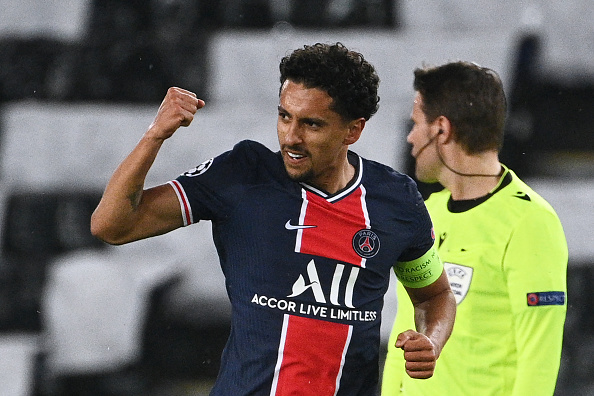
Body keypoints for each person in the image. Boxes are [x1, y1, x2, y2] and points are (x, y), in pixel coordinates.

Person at [90, 42, 456, 395]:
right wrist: (155, 135)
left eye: (311, 124)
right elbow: (112, 225)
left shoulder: (395, 199)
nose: (291, 137)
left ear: (353, 130)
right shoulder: (242, 174)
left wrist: (431, 340)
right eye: (284, 116)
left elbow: (434, 295)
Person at [382, 61, 568, 395]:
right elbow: (404, 334)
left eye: (415, 123)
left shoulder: (530, 222)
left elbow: (538, 358)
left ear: (441, 129)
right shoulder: (425, 214)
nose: (410, 137)